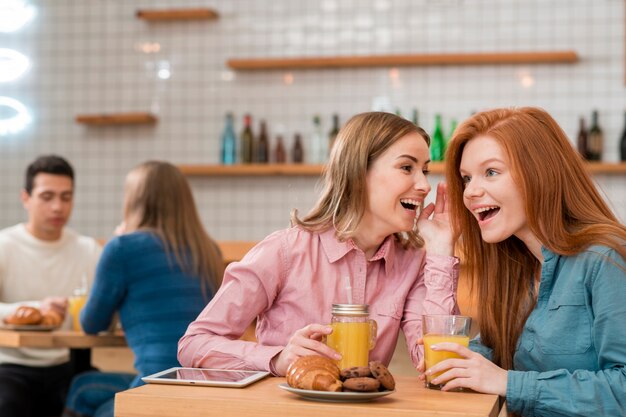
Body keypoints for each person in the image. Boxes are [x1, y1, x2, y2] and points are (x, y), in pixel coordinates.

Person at [178, 111, 460, 375]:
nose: (424, 185)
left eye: (425, 171)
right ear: (357, 172)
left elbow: (436, 365)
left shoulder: (413, 262)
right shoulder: (284, 251)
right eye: (406, 167)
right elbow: (194, 344)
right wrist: (277, 358)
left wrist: (441, 251)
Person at [424, 107, 626, 416]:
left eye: (491, 172)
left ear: (539, 172)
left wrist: (510, 383)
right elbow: (469, 361)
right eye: (466, 178)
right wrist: (440, 249)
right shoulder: (512, 264)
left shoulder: (605, 260)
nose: (470, 192)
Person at [62, 161, 224, 417]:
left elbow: (91, 323)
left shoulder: (123, 248)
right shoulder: (208, 251)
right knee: (84, 386)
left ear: (134, 201)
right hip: (206, 385)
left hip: (156, 384)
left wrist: (120, 241)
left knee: (84, 393)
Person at [0, 155, 102, 417]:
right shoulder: (4, 245)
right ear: (26, 198)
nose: (58, 207)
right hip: (10, 366)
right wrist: (36, 308)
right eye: (47, 197)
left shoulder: (88, 250)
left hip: (66, 365)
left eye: (66, 197)